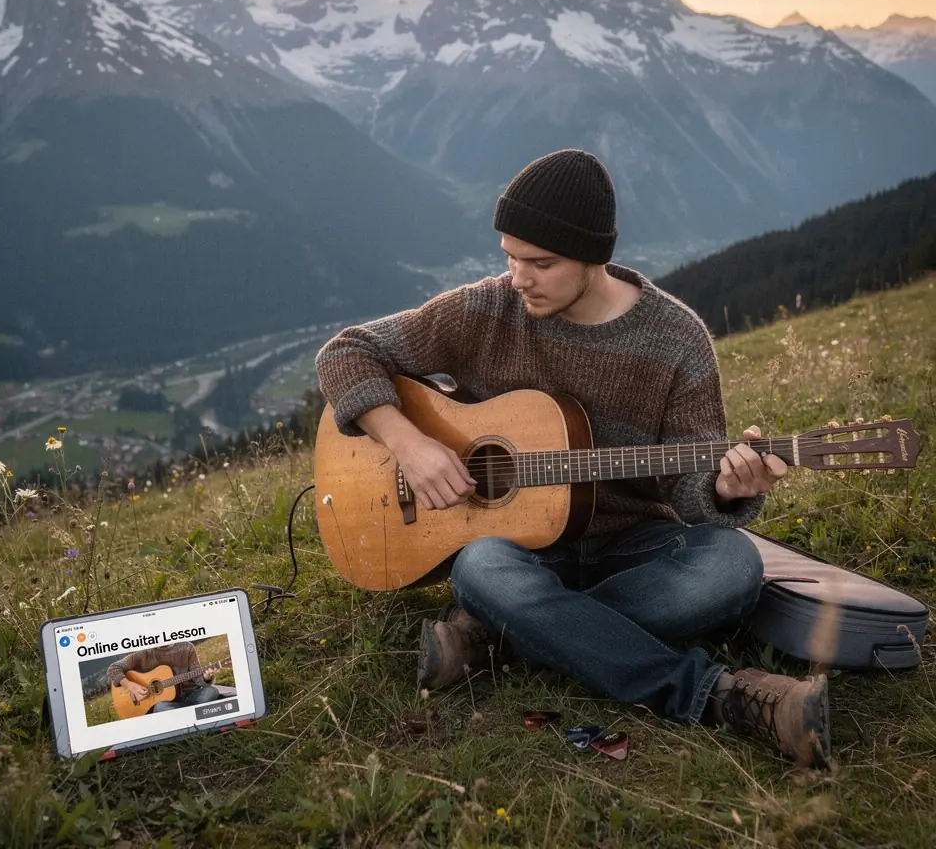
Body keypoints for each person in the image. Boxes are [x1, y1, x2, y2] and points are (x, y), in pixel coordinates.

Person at [315, 148, 831, 767]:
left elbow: (692, 485)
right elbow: (344, 353)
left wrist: (728, 490)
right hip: (517, 548)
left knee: (731, 567)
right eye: (510, 256)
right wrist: (411, 443)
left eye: (542, 263)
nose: (519, 278)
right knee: (481, 567)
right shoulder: (489, 308)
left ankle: (507, 636)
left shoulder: (678, 340)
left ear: (596, 258)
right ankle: (716, 695)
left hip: (631, 546)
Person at [107, 641, 233, 713]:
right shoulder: (143, 654)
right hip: (166, 703)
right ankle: (194, 712)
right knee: (161, 707)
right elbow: (113, 669)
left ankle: (180, 715)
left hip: (190, 695)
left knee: (211, 691)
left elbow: (198, 679)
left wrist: (206, 676)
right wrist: (131, 686)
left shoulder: (186, 647)